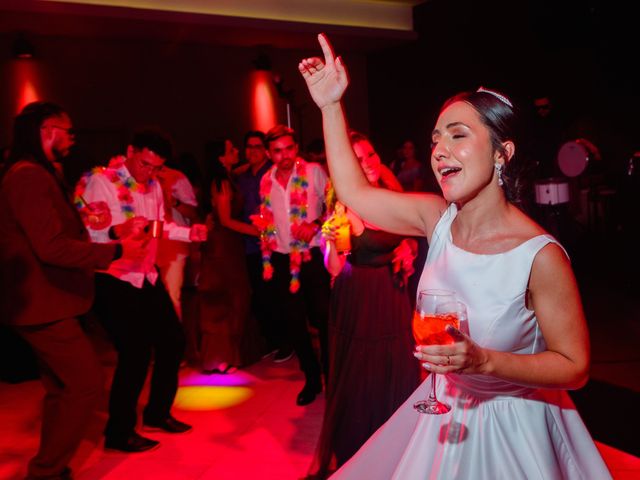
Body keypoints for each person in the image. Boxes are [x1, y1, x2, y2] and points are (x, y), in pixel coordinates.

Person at [299, 34, 611, 479]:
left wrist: (484, 361)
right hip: (443, 410)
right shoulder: (435, 218)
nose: (439, 149)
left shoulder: (539, 255)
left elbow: (574, 367)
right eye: (435, 140)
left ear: (503, 153)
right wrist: (331, 106)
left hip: (513, 428)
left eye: (457, 136)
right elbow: (354, 192)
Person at [0, 102, 141, 480]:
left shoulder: (37, 172)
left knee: (61, 389)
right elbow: (50, 247)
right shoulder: (28, 176)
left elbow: (50, 232)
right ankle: (45, 471)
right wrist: (114, 250)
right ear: (48, 130)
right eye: (68, 130)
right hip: (42, 304)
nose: (72, 137)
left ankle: (50, 466)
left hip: (46, 301)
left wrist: (91, 223)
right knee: (85, 385)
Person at [76, 129, 208, 453]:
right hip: (114, 277)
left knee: (172, 341)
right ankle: (118, 433)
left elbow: (158, 226)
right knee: (134, 352)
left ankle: (157, 414)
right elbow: (88, 233)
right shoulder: (102, 182)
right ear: (130, 151)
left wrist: (191, 233)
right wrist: (116, 231)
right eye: (145, 164)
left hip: (146, 276)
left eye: (156, 168)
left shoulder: (154, 187)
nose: (148, 173)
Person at [309, 131, 420, 477]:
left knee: (396, 370)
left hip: (392, 294)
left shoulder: (390, 194)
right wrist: (329, 243)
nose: (367, 164)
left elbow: (408, 236)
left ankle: (397, 449)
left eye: (369, 155)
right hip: (358, 297)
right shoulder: (341, 203)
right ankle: (360, 452)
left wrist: (407, 250)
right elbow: (335, 268)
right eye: (356, 160)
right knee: (361, 378)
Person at [252, 124, 331, 406]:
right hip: (282, 258)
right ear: (268, 153)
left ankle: (331, 376)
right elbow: (267, 217)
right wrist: (263, 226)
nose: (284, 155)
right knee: (294, 323)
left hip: (312, 257)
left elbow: (333, 204)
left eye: (288, 148)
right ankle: (311, 377)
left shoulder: (313, 172)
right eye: (277, 150)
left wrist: (315, 224)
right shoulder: (265, 180)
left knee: (324, 318)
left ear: (295, 148)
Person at [198, 139, 262, 373]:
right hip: (223, 245)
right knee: (228, 298)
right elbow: (225, 220)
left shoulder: (227, 176)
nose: (237, 151)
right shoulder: (222, 182)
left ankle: (226, 356)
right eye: (231, 150)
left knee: (235, 297)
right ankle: (220, 358)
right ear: (221, 157)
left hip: (229, 244)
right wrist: (259, 231)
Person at [236, 131, 289, 360]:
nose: (252, 151)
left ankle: (287, 343)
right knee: (261, 297)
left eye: (257, 147)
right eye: (249, 147)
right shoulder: (242, 176)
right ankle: (272, 342)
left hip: (275, 244)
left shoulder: (273, 174)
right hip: (251, 244)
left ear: (265, 151)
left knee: (278, 296)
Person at [155, 163, 199, 320]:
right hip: (147, 246)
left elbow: (193, 212)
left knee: (172, 296)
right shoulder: (135, 178)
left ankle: (175, 340)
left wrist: (173, 202)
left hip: (174, 246)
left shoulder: (176, 178)